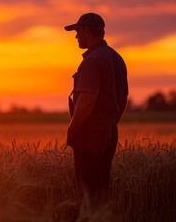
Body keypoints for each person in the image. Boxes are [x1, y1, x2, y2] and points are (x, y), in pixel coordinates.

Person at [64, 13, 128, 220]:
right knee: (101, 189)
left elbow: (87, 100)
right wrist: (109, 124)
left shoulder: (92, 60)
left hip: (90, 132)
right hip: (109, 130)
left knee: (88, 193)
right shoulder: (116, 58)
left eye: (77, 32)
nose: (75, 37)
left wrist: (73, 128)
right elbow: (123, 98)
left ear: (85, 30)